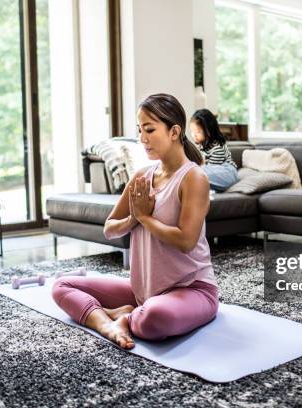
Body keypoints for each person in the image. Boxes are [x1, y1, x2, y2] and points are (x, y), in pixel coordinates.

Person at [52, 93, 218, 349]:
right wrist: (133, 218)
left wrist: (144, 217)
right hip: (144, 291)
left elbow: (186, 241)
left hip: (192, 289)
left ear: (174, 132)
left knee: (156, 318)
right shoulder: (142, 177)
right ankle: (107, 322)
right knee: (62, 286)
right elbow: (110, 229)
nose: (142, 138)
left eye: (150, 130)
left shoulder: (193, 178)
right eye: (140, 130)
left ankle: (127, 316)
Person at [189, 109, 238, 192]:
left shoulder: (217, 147)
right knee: (193, 171)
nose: (194, 135)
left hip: (227, 172)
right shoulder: (202, 144)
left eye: (197, 132)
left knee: (195, 172)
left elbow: (212, 168)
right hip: (215, 171)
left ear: (208, 131)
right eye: (192, 131)